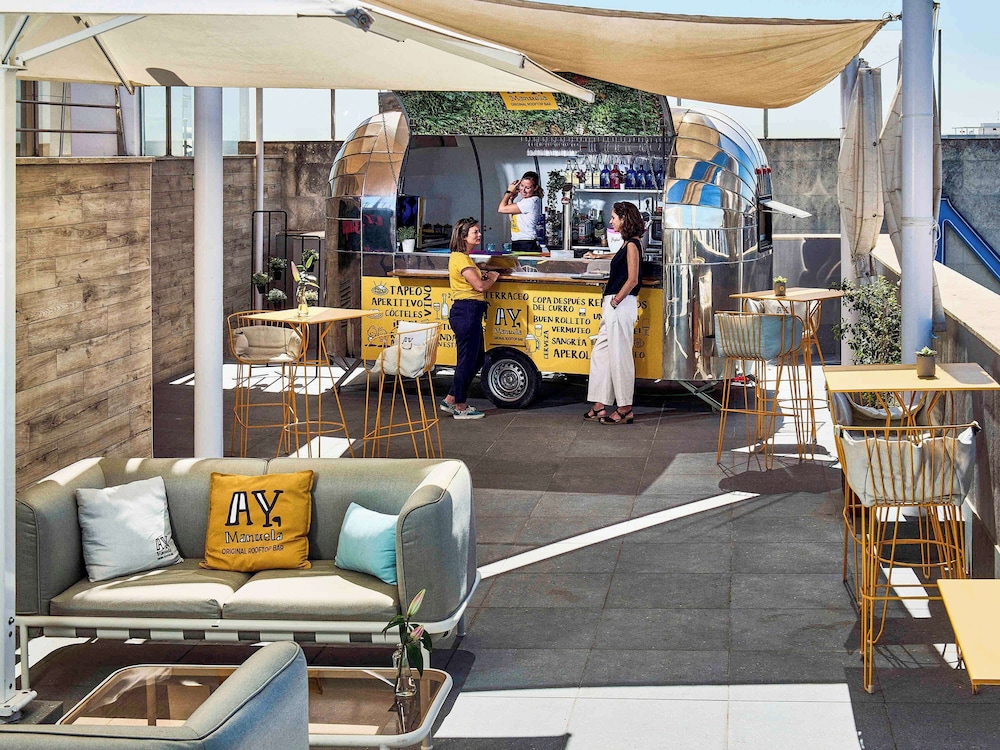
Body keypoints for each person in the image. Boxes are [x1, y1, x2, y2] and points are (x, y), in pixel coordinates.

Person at [584, 202, 643, 425]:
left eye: (614, 217)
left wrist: (616, 300)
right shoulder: (628, 244)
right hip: (615, 304)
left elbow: (633, 279)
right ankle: (600, 404)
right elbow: (619, 258)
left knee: (620, 357)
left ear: (624, 219)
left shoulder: (632, 245)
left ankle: (625, 408)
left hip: (621, 304)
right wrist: (599, 257)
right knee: (601, 353)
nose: (611, 221)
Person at [440, 217, 500, 420]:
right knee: (466, 360)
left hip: (468, 311)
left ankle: (450, 399)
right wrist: (492, 277)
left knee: (476, 358)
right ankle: (460, 406)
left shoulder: (463, 258)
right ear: (464, 236)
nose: (479, 234)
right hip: (467, 311)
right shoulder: (460, 259)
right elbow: (480, 286)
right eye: (475, 232)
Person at [498, 171, 544, 252]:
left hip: (526, 243)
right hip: (518, 241)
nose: (523, 190)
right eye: (522, 186)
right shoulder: (524, 202)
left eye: (527, 188)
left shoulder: (531, 202)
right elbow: (512, 220)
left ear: (535, 188)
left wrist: (508, 192)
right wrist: (511, 199)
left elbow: (501, 209)